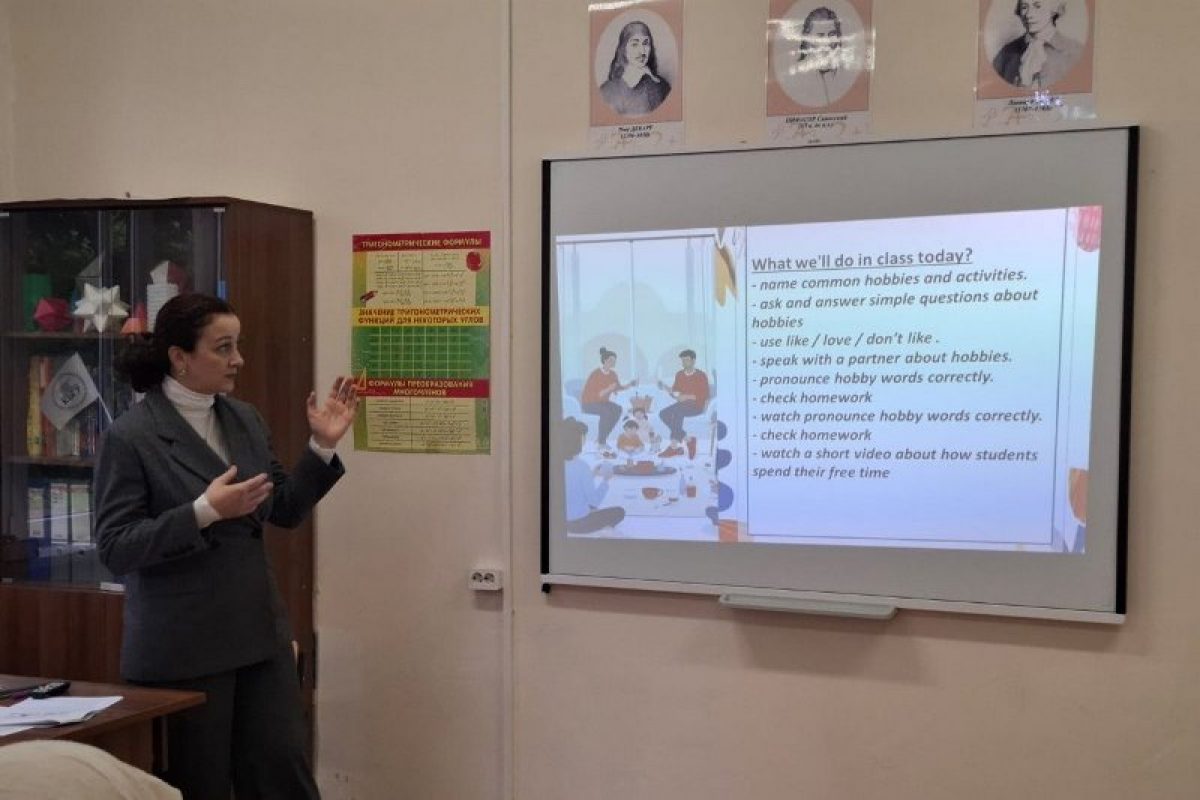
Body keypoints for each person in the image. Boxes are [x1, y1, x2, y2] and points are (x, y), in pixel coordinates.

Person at [94, 293, 358, 800]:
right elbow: (116, 546)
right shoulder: (132, 436)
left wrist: (322, 446)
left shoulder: (244, 418)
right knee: (201, 783)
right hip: (184, 646)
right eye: (223, 348)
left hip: (257, 633)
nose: (238, 359)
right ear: (179, 357)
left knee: (284, 775)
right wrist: (203, 511)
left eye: (237, 345)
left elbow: (284, 509)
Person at [991, 0, 1083, 89]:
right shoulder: (1006, 53)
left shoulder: (1075, 51)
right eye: (1024, 7)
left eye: (1037, 6)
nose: (1028, 14)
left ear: (1053, 9)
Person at [559, 417, 625, 534]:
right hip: (579, 523)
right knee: (619, 512)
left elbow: (573, 485)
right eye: (583, 436)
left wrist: (592, 474)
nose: (585, 439)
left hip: (560, 521)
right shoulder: (581, 466)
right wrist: (606, 480)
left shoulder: (557, 462)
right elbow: (594, 501)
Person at [784, 6, 857, 107]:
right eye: (820, 36)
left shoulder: (849, 72)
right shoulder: (795, 79)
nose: (827, 42)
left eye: (832, 34)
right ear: (807, 41)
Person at [599, 20, 671, 116]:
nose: (642, 51)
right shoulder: (606, 91)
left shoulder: (663, 86)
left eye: (646, 43)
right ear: (623, 49)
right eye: (634, 44)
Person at [580, 346, 636, 450]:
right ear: (605, 360)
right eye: (611, 360)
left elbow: (618, 387)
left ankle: (602, 437)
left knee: (618, 409)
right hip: (589, 403)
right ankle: (602, 443)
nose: (613, 363)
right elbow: (596, 395)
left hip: (602, 402)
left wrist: (630, 384)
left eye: (614, 361)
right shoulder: (596, 374)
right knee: (606, 412)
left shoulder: (613, 374)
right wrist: (608, 389)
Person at [657, 348, 710, 456]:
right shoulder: (679, 374)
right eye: (682, 360)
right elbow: (676, 391)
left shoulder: (701, 375)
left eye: (686, 360)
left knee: (678, 412)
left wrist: (687, 397)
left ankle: (673, 447)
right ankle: (688, 440)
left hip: (696, 406)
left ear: (693, 361)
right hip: (682, 404)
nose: (684, 363)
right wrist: (668, 390)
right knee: (663, 414)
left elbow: (704, 395)